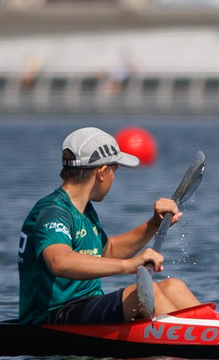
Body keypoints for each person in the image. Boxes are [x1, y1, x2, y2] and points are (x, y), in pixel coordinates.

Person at [16, 126, 192, 324]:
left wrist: (153, 224)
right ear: (101, 172)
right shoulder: (53, 211)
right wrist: (128, 265)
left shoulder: (85, 210)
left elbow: (107, 251)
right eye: (114, 170)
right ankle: (203, 345)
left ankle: (217, 333)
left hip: (86, 307)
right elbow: (60, 261)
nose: (114, 178)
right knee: (143, 292)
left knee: (173, 287)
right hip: (51, 317)